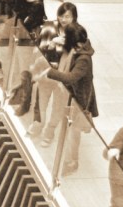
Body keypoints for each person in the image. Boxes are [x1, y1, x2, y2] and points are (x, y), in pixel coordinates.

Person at [38, 23, 98, 177]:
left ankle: (72, 162)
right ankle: (66, 159)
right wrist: (54, 44)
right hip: (69, 96)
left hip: (79, 101)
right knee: (69, 128)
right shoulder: (78, 47)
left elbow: (70, 78)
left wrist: (49, 72)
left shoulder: (83, 59)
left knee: (73, 132)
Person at [31, 2, 79, 144]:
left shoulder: (77, 33)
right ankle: (38, 125)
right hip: (46, 73)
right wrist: (51, 45)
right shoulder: (49, 27)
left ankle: (50, 131)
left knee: (58, 106)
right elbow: (39, 50)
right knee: (41, 102)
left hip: (62, 78)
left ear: (74, 17)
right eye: (61, 16)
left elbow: (78, 57)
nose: (63, 19)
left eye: (67, 16)